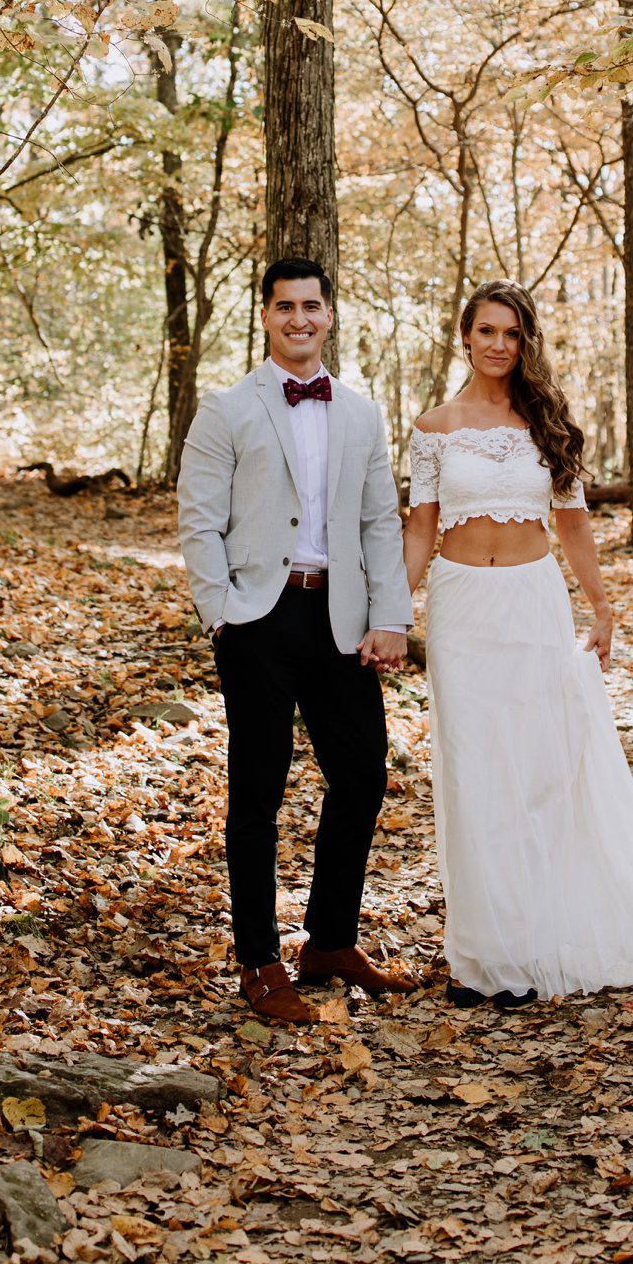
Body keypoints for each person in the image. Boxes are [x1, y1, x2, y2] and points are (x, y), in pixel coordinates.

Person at [404, 279, 633, 1008]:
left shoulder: (549, 424)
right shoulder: (434, 426)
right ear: (464, 335)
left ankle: (532, 942)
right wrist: (389, 610)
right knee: (472, 774)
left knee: (534, 773)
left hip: (534, 604)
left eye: (512, 332)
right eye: (486, 330)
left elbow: (572, 525)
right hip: (461, 606)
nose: (499, 344)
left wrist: (602, 606)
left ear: (525, 341)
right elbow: (419, 528)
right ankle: (478, 957)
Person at [177, 256, 413, 1026]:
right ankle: (259, 959)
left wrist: (391, 617)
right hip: (259, 618)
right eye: (285, 307)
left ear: (330, 314)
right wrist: (221, 611)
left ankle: (330, 939)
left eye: (312, 306)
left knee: (363, 775)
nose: (300, 318)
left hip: (341, 618)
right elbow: (199, 519)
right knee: (258, 793)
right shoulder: (226, 408)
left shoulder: (361, 412)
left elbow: (381, 521)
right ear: (266, 315)